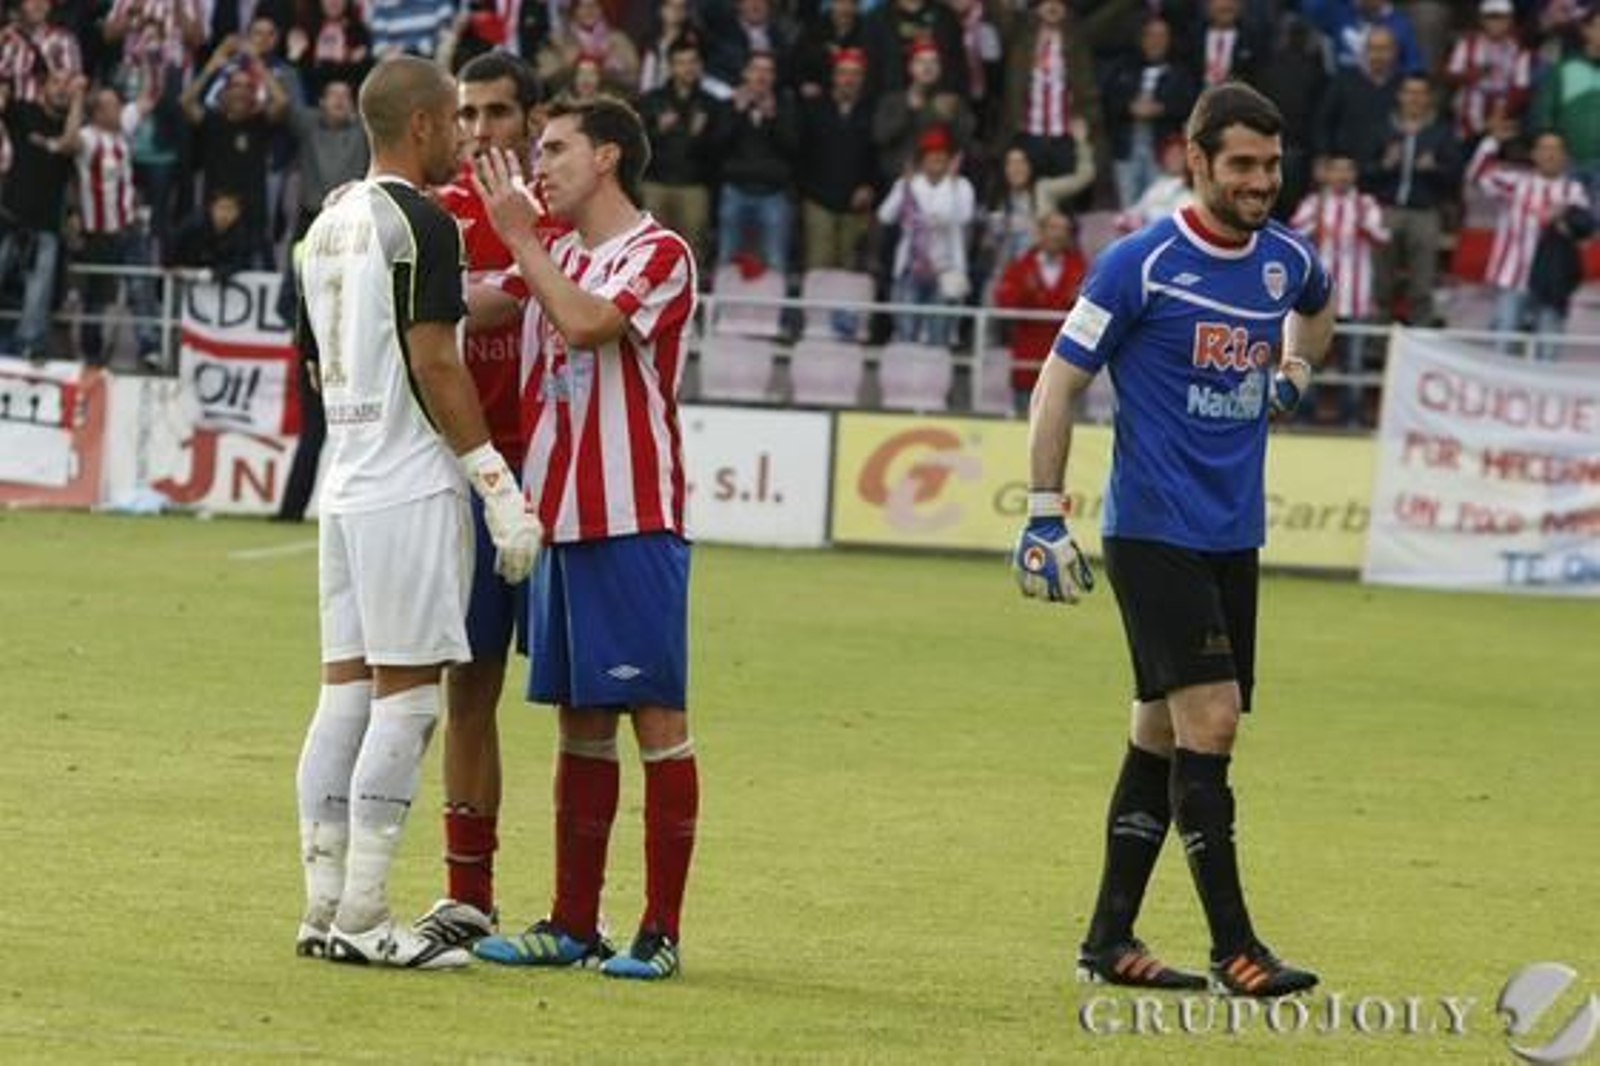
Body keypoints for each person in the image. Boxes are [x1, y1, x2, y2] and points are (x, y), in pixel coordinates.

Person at [1013, 82, 1333, 997]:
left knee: (1160, 732)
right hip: (1153, 531)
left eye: (1271, 165)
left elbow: (1319, 305)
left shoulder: (1283, 261)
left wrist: (1297, 368)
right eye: (1241, 164)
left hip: (1234, 535)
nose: (1260, 182)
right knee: (1214, 721)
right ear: (1194, 161)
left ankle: (1109, 940)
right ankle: (1239, 949)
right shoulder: (1138, 265)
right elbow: (1057, 386)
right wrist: (1043, 510)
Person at [290, 54, 540, 970]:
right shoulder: (422, 222)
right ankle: (366, 917)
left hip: (346, 484)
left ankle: (324, 906)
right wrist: (497, 488)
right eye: (453, 122)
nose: (462, 140)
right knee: (408, 707)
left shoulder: (324, 225)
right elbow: (439, 360)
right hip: (408, 484)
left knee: (343, 698)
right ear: (425, 124)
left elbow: (318, 365)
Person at [467, 93, 700, 982]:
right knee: (580, 721)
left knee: (657, 719)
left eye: (556, 148)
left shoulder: (659, 253)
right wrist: (392, 240)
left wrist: (521, 237)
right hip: (557, 520)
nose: (541, 164)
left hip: (633, 517)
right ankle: (572, 924)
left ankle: (660, 930)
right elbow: (483, 305)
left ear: (607, 158)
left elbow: (590, 324)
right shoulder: (555, 248)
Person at [410, 48, 547, 948]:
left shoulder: (558, 209)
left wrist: (501, 285)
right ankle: (471, 894)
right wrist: (501, 288)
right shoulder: (436, 214)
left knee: (589, 701)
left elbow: (503, 303)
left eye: (498, 113)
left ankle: (577, 908)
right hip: (471, 477)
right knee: (470, 687)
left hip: (561, 476)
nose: (480, 131)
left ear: (531, 121)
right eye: (468, 114)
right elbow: (459, 309)